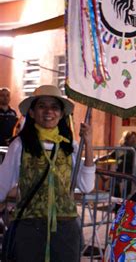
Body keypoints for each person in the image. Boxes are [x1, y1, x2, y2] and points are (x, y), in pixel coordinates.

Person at [0, 85, 95, 262]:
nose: (48, 111)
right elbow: (2, 185)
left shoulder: (70, 146)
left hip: (65, 229)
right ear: (33, 112)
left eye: (54, 107)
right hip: (30, 228)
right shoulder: (20, 145)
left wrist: (88, 143)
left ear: (61, 114)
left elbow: (87, 186)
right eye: (42, 106)